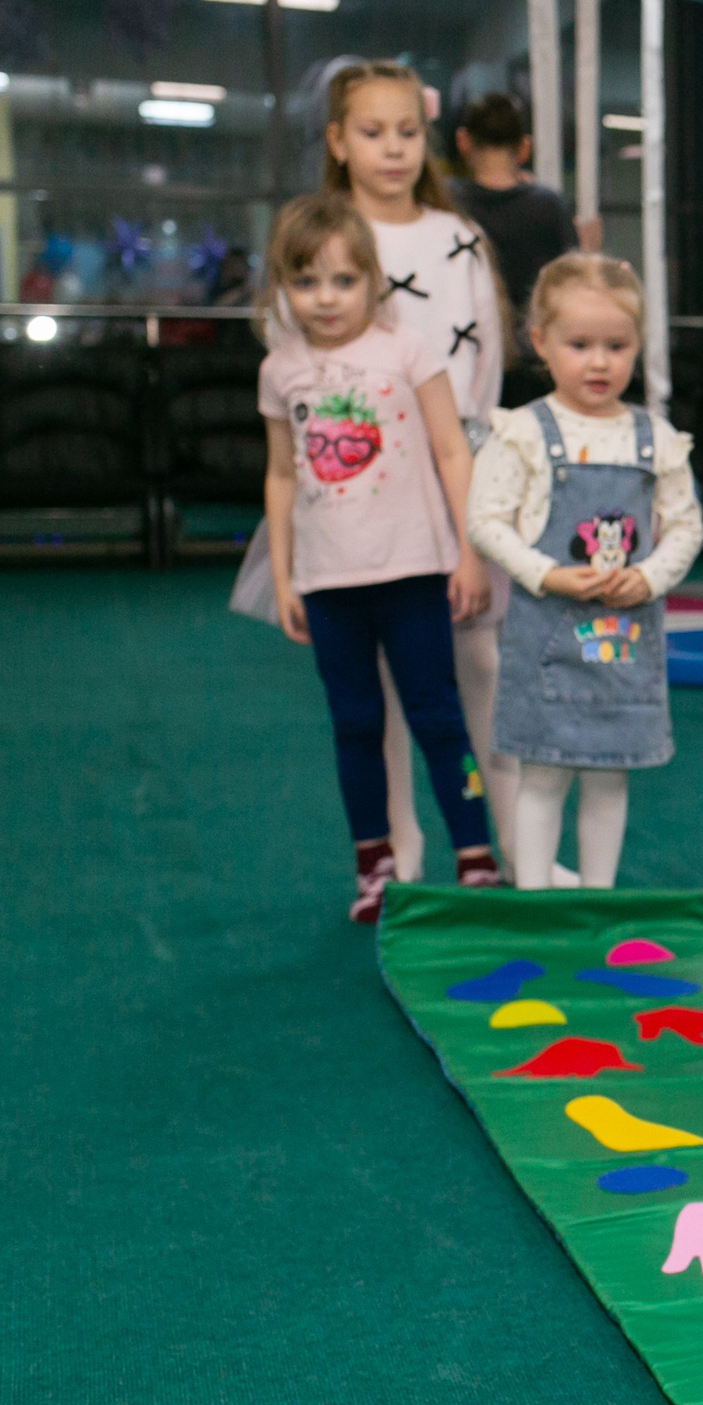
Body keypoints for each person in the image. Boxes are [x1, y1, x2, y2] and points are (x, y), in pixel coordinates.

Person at [255, 194, 502, 920]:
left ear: (372, 282)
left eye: (342, 280)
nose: (325, 299)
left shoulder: (406, 351)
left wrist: (469, 552)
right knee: (357, 723)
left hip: (415, 572)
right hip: (330, 582)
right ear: (283, 290)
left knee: (437, 715)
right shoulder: (281, 370)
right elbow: (279, 475)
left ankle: (475, 854)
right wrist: (282, 574)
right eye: (306, 282)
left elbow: (452, 450)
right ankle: (374, 862)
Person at [320, 61, 525, 883]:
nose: (393, 150)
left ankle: (514, 842)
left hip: (458, 472)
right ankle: (397, 848)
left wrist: (470, 478)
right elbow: (298, 351)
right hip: (362, 489)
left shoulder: (458, 239)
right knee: (378, 679)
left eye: (408, 132)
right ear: (337, 142)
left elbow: (486, 360)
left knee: (479, 660)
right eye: (372, 133)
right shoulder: (326, 240)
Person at [467, 254, 701, 889]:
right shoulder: (522, 433)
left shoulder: (656, 439)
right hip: (547, 645)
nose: (599, 362)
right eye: (580, 344)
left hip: (623, 654)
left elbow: (686, 526)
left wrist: (649, 576)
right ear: (541, 343)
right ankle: (535, 895)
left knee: (609, 774)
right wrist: (546, 573)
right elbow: (486, 521)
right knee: (542, 776)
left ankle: (597, 899)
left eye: (616, 345)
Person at [450, 92, 580, 333]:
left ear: (463, 141)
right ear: (524, 147)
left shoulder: (446, 202)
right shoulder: (549, 206)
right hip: (533, 346)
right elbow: (570, 284)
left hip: (463, 339)